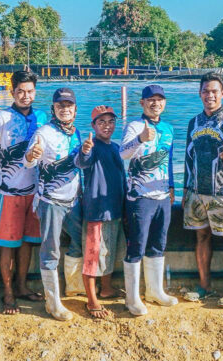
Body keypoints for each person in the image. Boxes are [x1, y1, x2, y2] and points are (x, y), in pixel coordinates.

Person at [0, 70, 49, 314]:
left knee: (27, 243)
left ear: (35, 92)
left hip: (35, 192)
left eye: (30, 91)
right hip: (9, 192)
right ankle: (8, 292)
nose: (25, 95)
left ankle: (22, 286)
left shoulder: (42, 117)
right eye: (20, 91)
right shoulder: (2, 117)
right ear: (12, 92)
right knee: (7, 245)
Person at [183, 72, 223, 309]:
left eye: (214, 91)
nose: (210, 95)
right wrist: (184, 191)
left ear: (222, 94)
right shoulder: (194, 122)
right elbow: (187, 157)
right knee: (201, 235)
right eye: (206, 91)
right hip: (196, 191)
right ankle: (204, 285)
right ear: (200, 94)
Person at [24, 87, 84, 321]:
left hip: (74, 201)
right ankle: (53, 302)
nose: (65, 109)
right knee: (50, 251)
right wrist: (32, 155)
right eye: (60, 105)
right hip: (50, 201)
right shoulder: (43, 132)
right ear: (53, 108)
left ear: (75, 109)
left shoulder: (77, 133)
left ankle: (72, 287)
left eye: (69, 105)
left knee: (79, 240)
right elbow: (28, 162)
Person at [119, 84, 178, 316]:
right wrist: (140, 139)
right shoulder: (134, 125)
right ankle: (132, 298)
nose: (155, 103)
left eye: (160, 99)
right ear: (142, 103)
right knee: (136, 245)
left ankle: (155, 291)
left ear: (164, 102)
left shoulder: (169, 128)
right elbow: (122, 153)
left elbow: (169, 159)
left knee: (158, 244)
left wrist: (172, 185)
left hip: (162, 195)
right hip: (139, 197)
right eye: (150, 99)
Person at [74, 105, 126, 320]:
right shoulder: (92, 146)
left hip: (114, 208)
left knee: (110, 250)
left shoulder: (115, 147)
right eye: (101, 122)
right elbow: (81, 162)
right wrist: (85, 150)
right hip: (96, 210)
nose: (107, 126)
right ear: (93, 125)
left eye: (110, 121)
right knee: (93, 254)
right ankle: (91, 300)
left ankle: (106, 288)